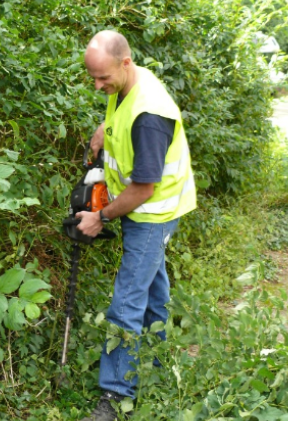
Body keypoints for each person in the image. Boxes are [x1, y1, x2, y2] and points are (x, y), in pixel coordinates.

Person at [75, 30, 197, 420]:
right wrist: (103, 130)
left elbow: (143, 189)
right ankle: (158, 367)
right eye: (92, 78)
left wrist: (100, 217)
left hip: (151, 215)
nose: (98, 86)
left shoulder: (149, 115)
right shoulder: (127, 81)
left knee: (127, 301)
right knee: (154, 294)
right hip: (148, 210)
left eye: (103, 79)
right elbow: (119, 110)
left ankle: (113, 395)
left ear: (124, 64)